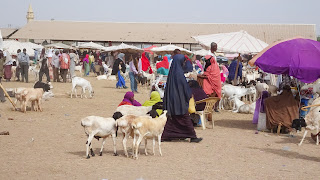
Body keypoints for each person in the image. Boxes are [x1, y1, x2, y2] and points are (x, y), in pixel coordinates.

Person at [162, 53, 202, 143]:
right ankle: (192, 136)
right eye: (183, 62)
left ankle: (168, 135)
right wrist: (189, 94)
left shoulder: (172, 73)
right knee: (185, 118)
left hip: (173, 101)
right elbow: (184, 88)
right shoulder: (179, 74)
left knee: (172, 120)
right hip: (179, 101)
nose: (184, 64)